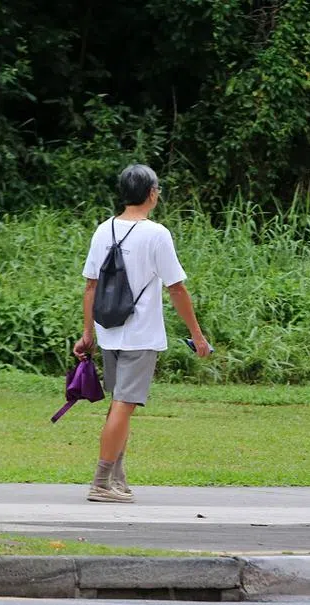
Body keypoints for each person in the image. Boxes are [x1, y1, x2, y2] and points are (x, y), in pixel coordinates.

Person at [73, 164, 211, 503]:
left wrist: (87, 332)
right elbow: (176, 288)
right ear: (151, 193)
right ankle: (101, 482)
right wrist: (197, 334)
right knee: (124, 404)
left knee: (120, 404)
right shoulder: (157, 234)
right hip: (140, 333)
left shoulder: (103, 230)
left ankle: (117, 479)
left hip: (109, 331)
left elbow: (90, 286)